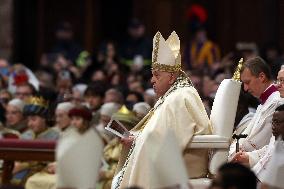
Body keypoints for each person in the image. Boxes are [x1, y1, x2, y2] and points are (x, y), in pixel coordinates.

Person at [112, 31, 211, 189]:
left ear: (171, 77)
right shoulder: (174, 94)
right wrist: (136, 138)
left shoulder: (180, 98)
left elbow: (167, 138)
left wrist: (137, 140)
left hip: (187, 161)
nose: (152, 80)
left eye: (157, 75)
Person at [229, 57, 283, 159]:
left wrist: (239, 155)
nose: (245, 88)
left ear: (262, 76)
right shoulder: (264, 102)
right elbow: (244, 136)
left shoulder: (277, 102)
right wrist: (234, 151)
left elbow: (260, 142)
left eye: (247, 82)